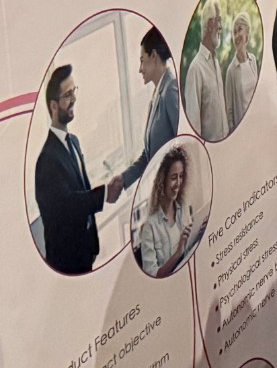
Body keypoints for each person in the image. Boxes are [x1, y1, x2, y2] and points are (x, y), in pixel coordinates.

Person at [34, 65, 124, 275]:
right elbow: (67, 206)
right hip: (67, 262)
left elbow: (82, 188)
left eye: (74, 91)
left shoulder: (73, 141)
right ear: (53, 106)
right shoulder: (46, 160)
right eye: (68, 95)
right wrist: (104, 194)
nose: (74, 99)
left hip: (85, 252)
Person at [122, 26, 180, 185]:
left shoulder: (170, 89)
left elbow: (182, 145)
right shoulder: (157, 94)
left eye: (142, 60)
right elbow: (149, 155)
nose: (140, 69)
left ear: (154, 56)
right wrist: (123, 179)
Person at [136, 144, 197, 277]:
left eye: (181, 176)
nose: (178, 183)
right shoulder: (150, 227)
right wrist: (178, 253)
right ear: (162, 181)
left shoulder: (183, 207)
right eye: (174, 177)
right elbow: (153, 275)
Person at [184, 0, 230, 142]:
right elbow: (194, 128)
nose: (221, 27)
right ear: (210, 25)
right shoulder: (195, 69)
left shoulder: (216, 62)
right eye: (219, 21)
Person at [223, 12, 260, 134]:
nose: (237, 35)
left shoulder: (253, 60)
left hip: (258, 122)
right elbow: (229, 112)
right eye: (234, 32)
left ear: (247, 32)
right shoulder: (231, 70)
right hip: (243, 131)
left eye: (239, 30)